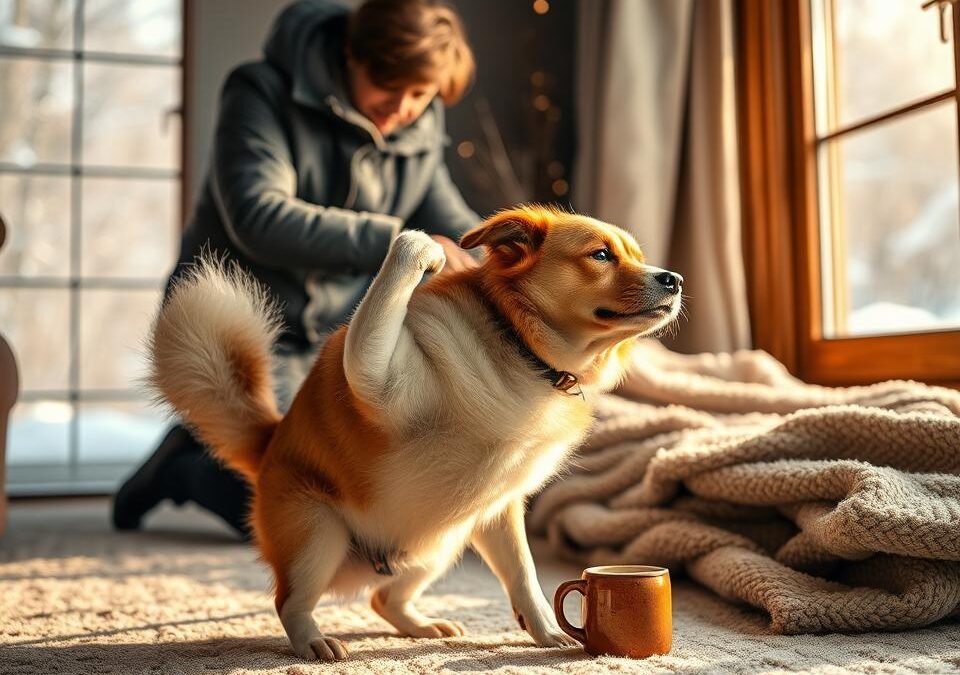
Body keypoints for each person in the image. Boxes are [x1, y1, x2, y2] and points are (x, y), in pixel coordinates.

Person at [112, 0, 481, 538]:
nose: (402, 108)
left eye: (420, 95)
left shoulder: (418, 123)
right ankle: (177, 468)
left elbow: (452, 222)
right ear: (352, 54)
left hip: (340, 338)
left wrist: (509, 256)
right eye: (387, 86)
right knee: (281, 509)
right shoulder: (259, 91)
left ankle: (201, 441)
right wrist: (400, 245)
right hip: (242, 332)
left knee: (353, 493)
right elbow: (258, 215)